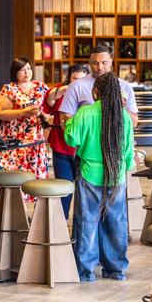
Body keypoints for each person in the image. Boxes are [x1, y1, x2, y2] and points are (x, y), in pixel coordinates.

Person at [64, 72, 134, 282]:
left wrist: (69, 122)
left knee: (87, 222)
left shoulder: (85, 113)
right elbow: (128, 151)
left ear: (96, 91)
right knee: (116, 222)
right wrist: (126, 167)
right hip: (116, 174)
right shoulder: (124, 116)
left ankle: (86, 271)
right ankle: (116, 269)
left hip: (89, 174)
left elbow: (71, 139)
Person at [0, 57, 49, 199]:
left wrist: (45, 115)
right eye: (22, 70)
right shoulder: (9, 89)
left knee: (33, 181)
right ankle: (9, 208)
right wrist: (23, 112)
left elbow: (49, 108)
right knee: (10, 177)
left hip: (34, 139)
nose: (27, 72)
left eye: (29, 68)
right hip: (13, 138)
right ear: (15, 72)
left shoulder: (41, 87)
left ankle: (30, 210)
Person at [42, 64, 90, 219]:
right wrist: (68, 88)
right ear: (69, 78)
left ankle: (82, 225)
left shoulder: (92, 93)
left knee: (85, 190)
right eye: (74, 78)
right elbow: (49, 101)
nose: (78, 83)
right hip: (61, 148)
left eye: (81, 79)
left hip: (85, 149)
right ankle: (61, 222)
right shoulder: (61, 91)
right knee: (64, 188)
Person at [59, 46, 139, 126]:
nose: (100, 67)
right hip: (87, 134)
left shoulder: (125, 86)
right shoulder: (75, 86)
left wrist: (121, 107)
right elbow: (64, 121)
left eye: (104, 62)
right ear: (89, 63)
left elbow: (134, 123)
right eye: (95, 63)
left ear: (110, 62)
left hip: (117, 133)